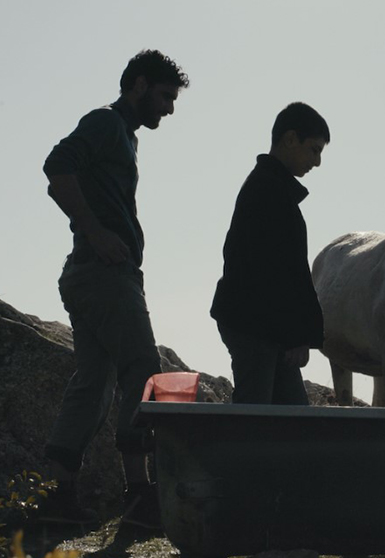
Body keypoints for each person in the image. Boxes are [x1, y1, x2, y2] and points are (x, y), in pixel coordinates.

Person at [40, 49, 189, 528]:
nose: (169, 109)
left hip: (89, 274)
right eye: (166, 97)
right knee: (144, 370)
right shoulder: (106, 122)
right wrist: (95, 230)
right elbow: (56, 167)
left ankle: (56, 497)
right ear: (140, 85)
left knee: (93, 381)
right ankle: (140, 496)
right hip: (102, 275)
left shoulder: (123, 134)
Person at [211, 102, 329, 404]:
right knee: (257, 418)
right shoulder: (268, 191)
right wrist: (296, 336)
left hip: (262, 326)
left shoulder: (269, 188)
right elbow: (276, 272)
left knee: (285, 418)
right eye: (314, 150)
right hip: (256, 326)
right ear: (290, 139)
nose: (316, 162)